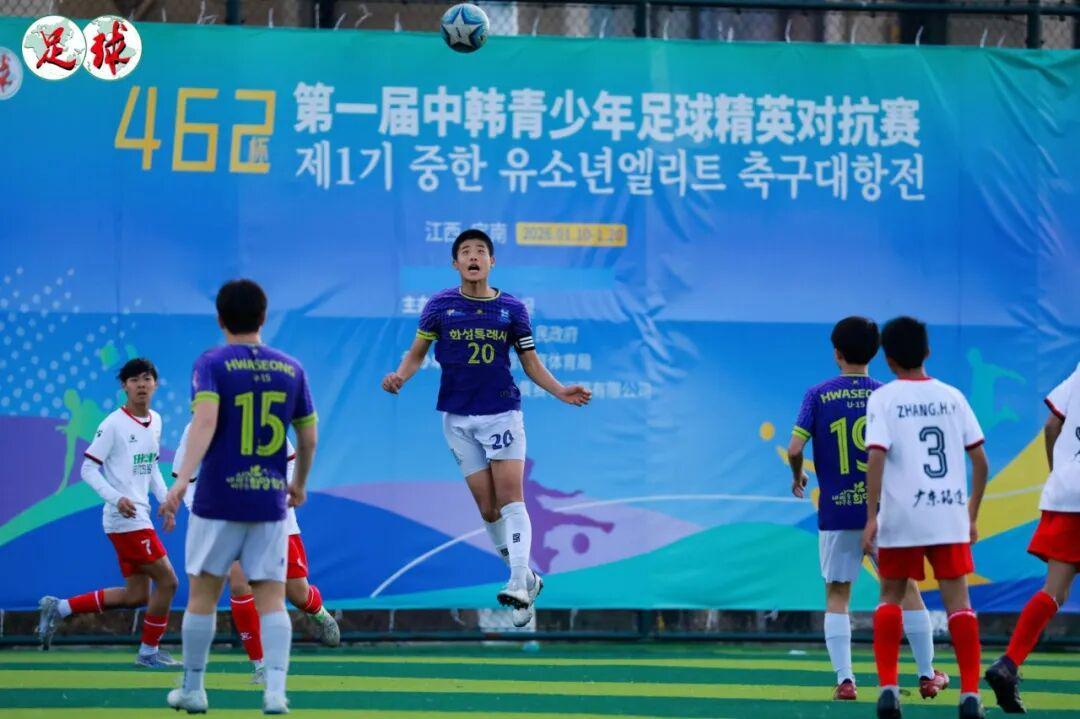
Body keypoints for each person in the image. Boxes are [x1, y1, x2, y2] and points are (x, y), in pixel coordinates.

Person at [381, 228, 591, 627]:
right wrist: (400, 377)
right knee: (488, 509)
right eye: (465, 251)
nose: (473, 256)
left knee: (511, 500)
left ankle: (515, 583)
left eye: (481, 251)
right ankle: (527, 579)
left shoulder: (512, 309)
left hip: (501, 413)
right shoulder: (439, 306)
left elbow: (530, 362)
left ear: (492, 261)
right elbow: (417, 353)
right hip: (457, 419)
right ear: (455, 263)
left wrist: (561, 390)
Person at [162, 279, 318, 714]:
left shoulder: (211, 363)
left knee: (202, 596)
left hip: (217, 500)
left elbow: (205, 422)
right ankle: (275, 693)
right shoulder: (291, 368)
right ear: (264, 317)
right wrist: (299, 484)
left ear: (220, 318)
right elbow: (308, 438)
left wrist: (181, 481)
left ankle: (193, 690)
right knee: (271, 598)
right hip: (268, 503)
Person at [788, 317, 946, 701]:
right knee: (906, 588)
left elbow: (794, 449)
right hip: (884, 511)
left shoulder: (817, 395)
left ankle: (846, 681)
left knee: (837, 593)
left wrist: (797, 475)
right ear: (875, 353)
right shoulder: (887, 395)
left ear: (837, 353)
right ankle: (927, 674)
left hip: (837, 512)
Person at [863, 317, 989, 719]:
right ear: (928, 352)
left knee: (890, 597)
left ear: (887, 358)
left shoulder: (883, 398)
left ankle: (888, 689)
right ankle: (970, 695)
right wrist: (972, 514)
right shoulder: (952, 396)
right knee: (959, 605)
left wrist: (871, 517)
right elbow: (980, 461)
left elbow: (876, 457)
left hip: (902, 515)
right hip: (947, 513)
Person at [37, 358, 180, 668]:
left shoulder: (155, 420)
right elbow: (88, 468)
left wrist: (165, 500)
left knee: (136, 596)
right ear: (124, 386)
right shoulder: (113, 424)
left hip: (139, 517)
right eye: (134, 380)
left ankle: (59, 608)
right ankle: (148, 653)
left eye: (146, 378)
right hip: (125, 520)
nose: (141, 385)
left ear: (155, 384)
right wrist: (116, 498)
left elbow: (151, 465)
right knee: (168, 582)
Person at [985, 361, 1080, 714]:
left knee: (1054, 591)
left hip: (1068, 490)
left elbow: (1052, 424)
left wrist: (1061, 473)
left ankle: (1009, 663)